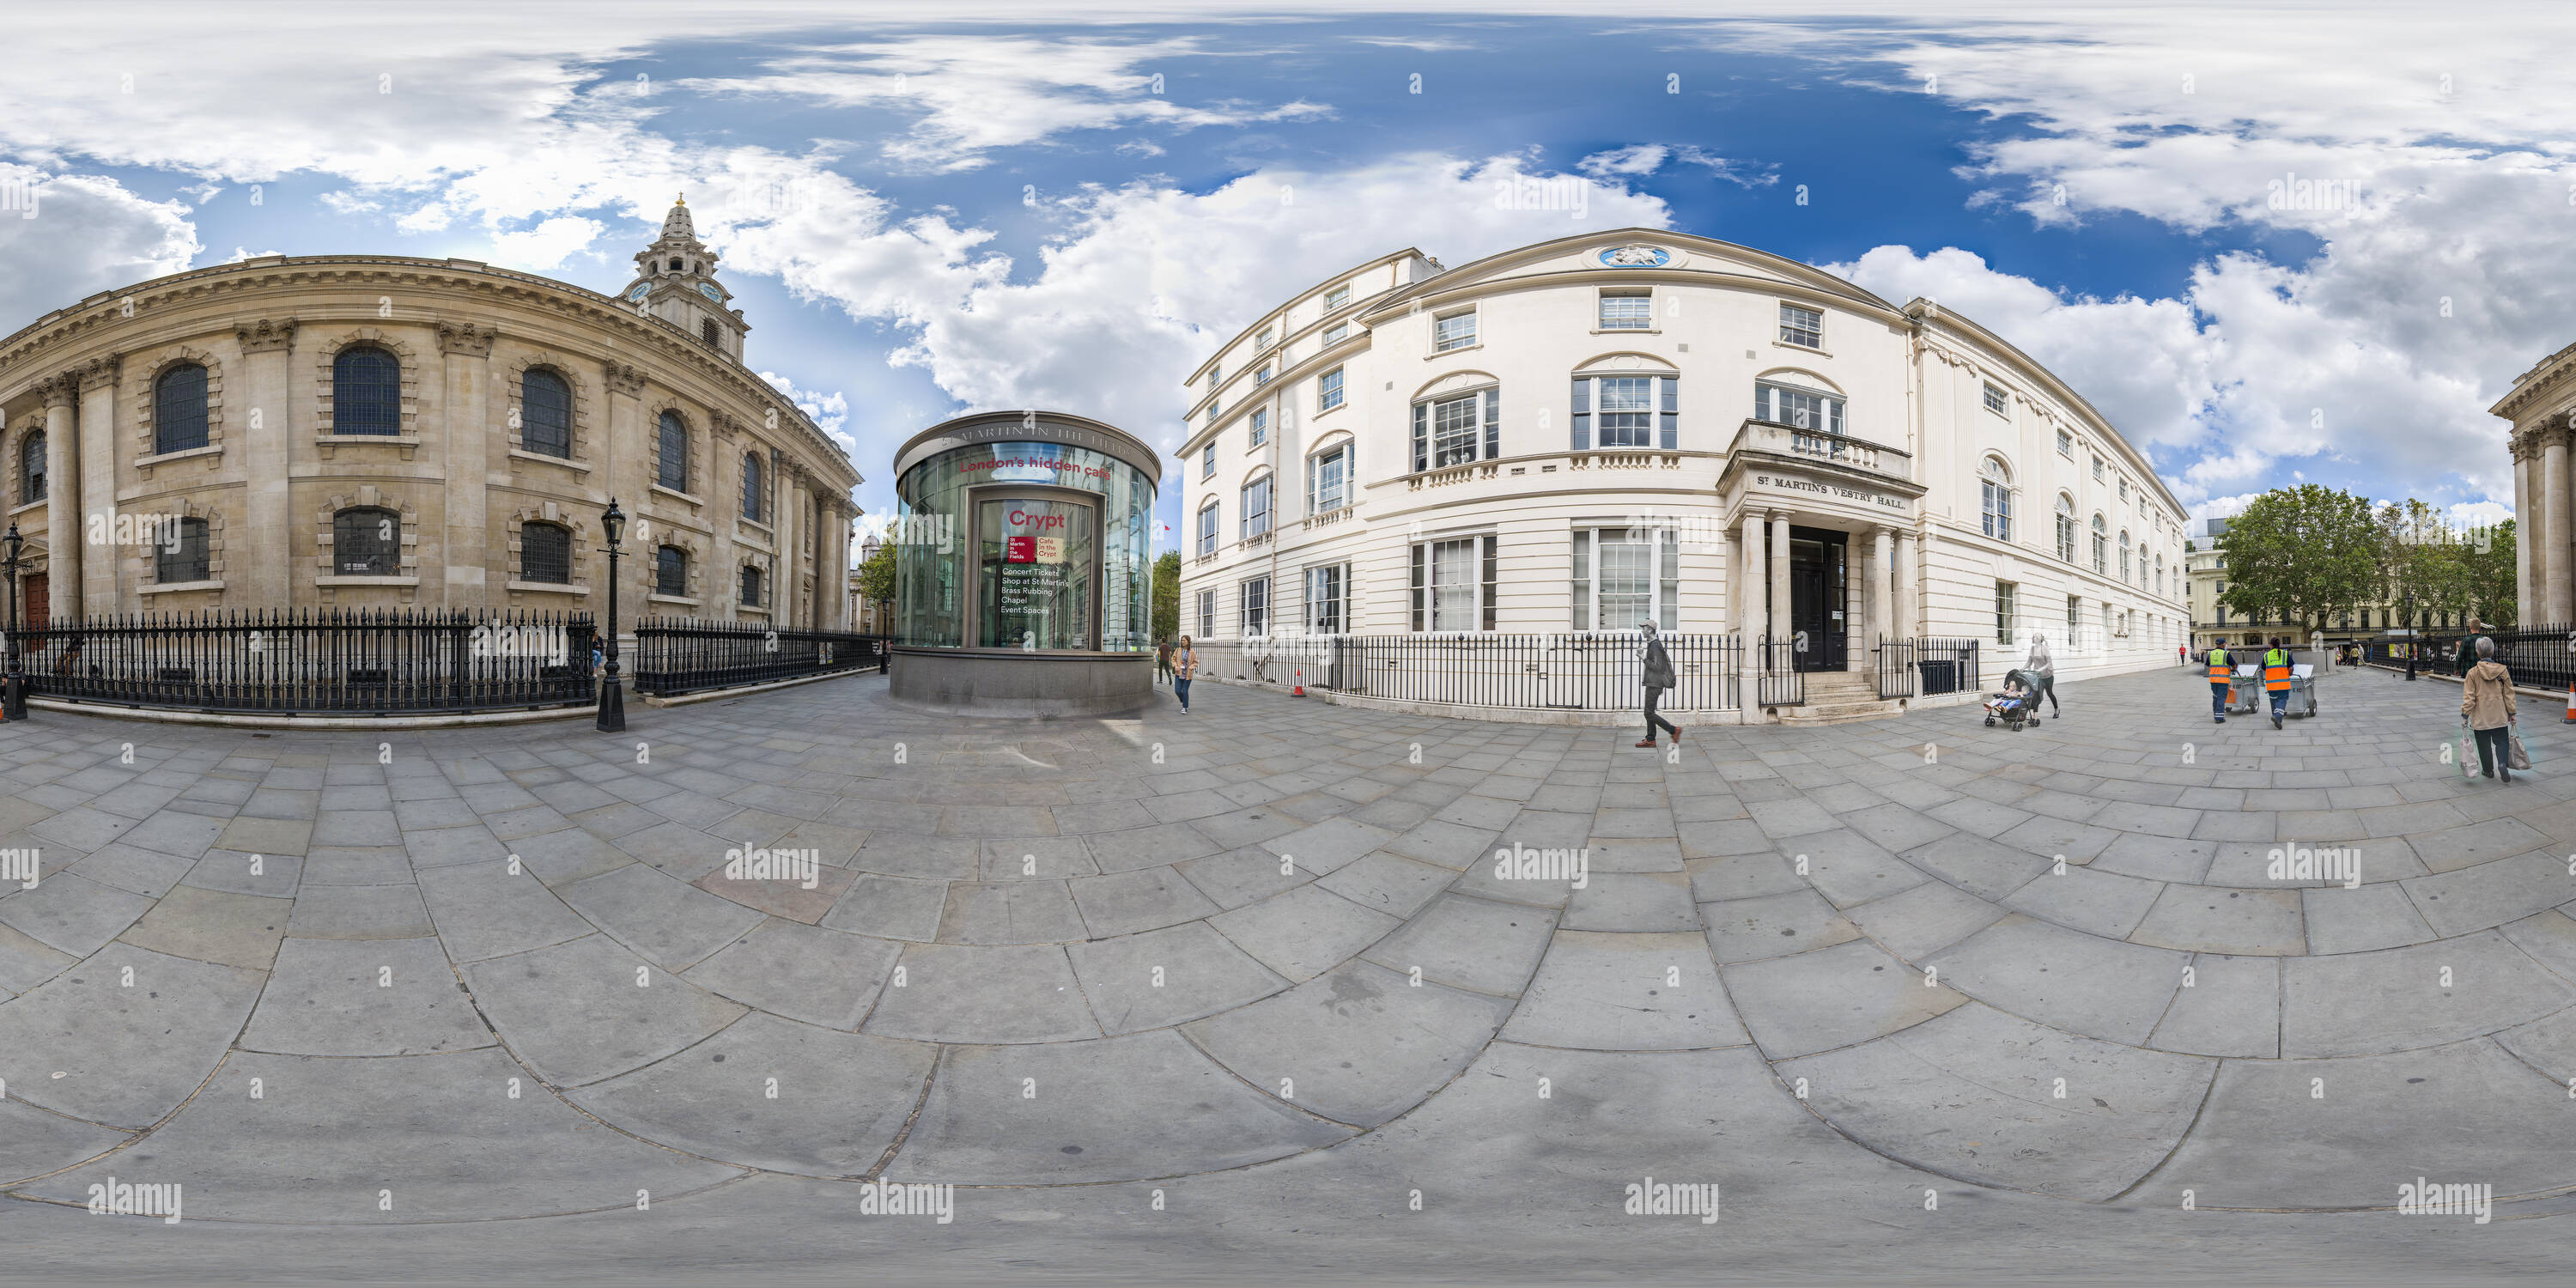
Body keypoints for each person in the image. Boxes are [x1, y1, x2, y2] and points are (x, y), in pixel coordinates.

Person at [2461, 635, 2518, 783]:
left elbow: (2469, 697)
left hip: (2480, 717)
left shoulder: (2472, 673)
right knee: (2502, 741)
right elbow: (2509, 693)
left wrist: (2464, 715)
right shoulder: (2502, 671)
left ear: (2478, 653)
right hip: (2499, 714)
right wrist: (2511, 712)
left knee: (2483, 744)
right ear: (2492, 652)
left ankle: (2488, 770)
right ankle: (2502, 764)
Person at [1635, 620, 1680, 748]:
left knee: (1648, 713)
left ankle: (1673, 730)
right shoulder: (1652, 644)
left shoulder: (1655, 645)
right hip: (1653, 683)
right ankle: (1650, 739)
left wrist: (1643, 658)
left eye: (1643, 628)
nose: (1642, 631)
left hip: (1655, 683)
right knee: (1649, 711)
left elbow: (1658, 667)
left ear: (1649, 630)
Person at [2262, 636, 2295, 729]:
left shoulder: (2266, 655)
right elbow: (2291, 668)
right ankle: (2277, 717)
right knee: (2282, 701)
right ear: (2279, 645)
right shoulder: (2285, 654)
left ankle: (2278, 721)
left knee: (2274, 702)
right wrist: (2290, 673)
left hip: (2271, 685)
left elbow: (2264, 668)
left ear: (2271, 645)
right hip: (2283, 684)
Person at [2026, 631, 2058, 719]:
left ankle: (2056, 709)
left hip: (2048, 676)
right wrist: (2023, 668)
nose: (2032, 638)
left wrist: (2040, 669)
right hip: (2038, 677)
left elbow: (2049, 663)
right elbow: (2029, 662)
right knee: (2036, 695)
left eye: (2034, 637)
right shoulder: (2032, 649)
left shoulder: (2045, 648)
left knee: (2049, 693)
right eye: (2032, 637)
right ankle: (2035, 717)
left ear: (2038, 639)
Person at [2204, 637, 2232, 724]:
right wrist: (2233, 668)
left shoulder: (2211, 653)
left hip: (2213, 680)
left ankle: (2216, 714)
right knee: (2221, 698)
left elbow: (2208, 664)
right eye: (2225, 643)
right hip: (2223, 680)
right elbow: (2234, 664)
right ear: (2223, 644)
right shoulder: (2226, 653)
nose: (2226, 644)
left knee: (2215, 697)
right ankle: (2219, 718)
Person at [1171, 635, 1196, 713]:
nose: (1182, 642)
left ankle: (1185, 707)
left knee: (1185, 690)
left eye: (1184, 640)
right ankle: (1183, 699)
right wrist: (1175, 666)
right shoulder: (1178, 650)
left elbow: (1196, 662)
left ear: (1188, 642)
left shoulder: (1192, 652)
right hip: (1179, 673)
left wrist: (1192, 666)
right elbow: (1173, 659)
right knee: (1177, 691)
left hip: (1187, 675)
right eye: (1182, 640)